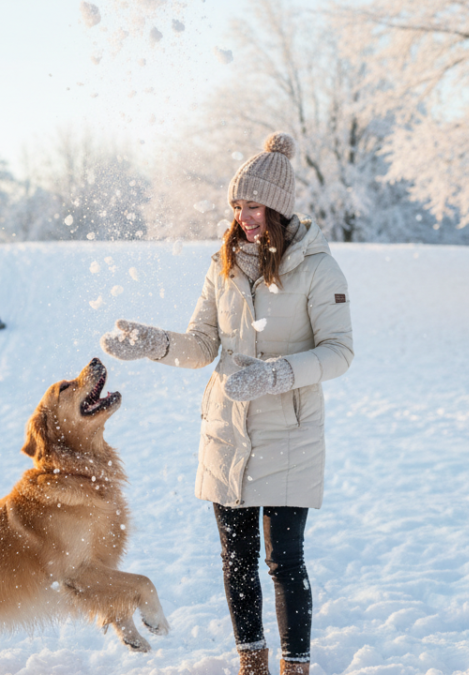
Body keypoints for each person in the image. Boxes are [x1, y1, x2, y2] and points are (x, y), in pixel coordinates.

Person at [100, 132, 353, 675]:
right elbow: (203, 345)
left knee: (284, 562)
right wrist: (155, 344)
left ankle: (295, 667)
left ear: (279, 209)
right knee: (236, 562)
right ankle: (251, 665)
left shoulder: (317, 268)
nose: (244, 216)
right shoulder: (222, 266)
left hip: (290, 432)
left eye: (253, 205)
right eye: (237, 206)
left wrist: (276, 375)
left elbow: (339, 353)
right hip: (227, 431)